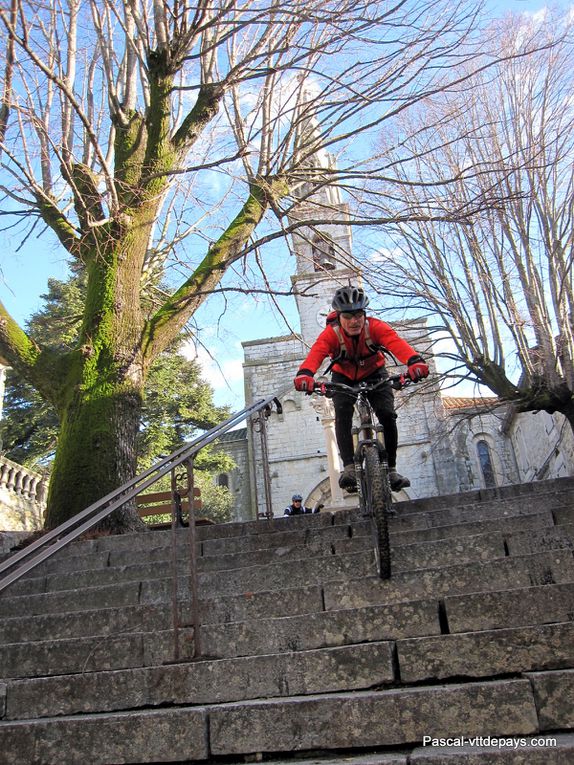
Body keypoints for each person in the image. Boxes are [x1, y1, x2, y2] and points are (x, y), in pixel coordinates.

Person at [293, 285, 429, 492]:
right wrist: (305, 374)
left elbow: (396, 343)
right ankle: (348, 467)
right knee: (343, 414)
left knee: (387, 414)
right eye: (348, 316)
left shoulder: (375, 327)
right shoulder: (331, 334)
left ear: (364, 314)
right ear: (339, 317)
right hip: (343, 376)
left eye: (358, 315)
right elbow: (316, 354)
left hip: (375, 374)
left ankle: (391, 469)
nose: (354, 321)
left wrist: (414, 362)